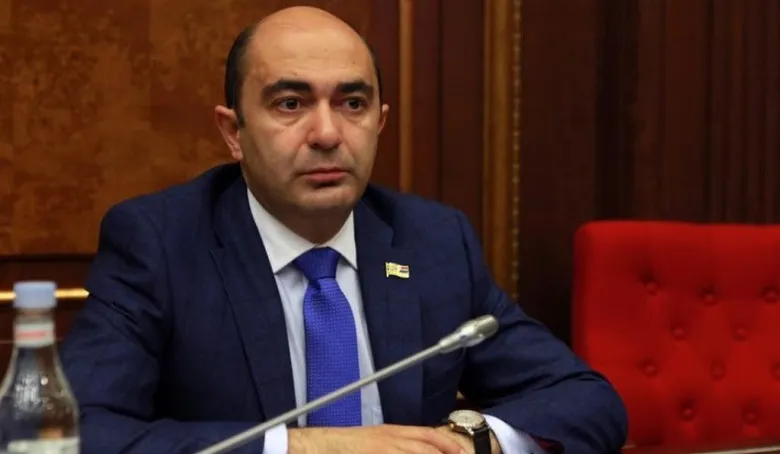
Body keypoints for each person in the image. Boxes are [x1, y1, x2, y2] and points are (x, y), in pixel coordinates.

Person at [60, 6, 627, 454]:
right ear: (233, 133)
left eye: (352, 103)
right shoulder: (160, 243)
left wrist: (466, 441)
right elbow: (73, 432)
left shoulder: (431, 241)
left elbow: (584, 400)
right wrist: (309, 446)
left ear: (380, 122)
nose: (328, 134)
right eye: (291, 103)